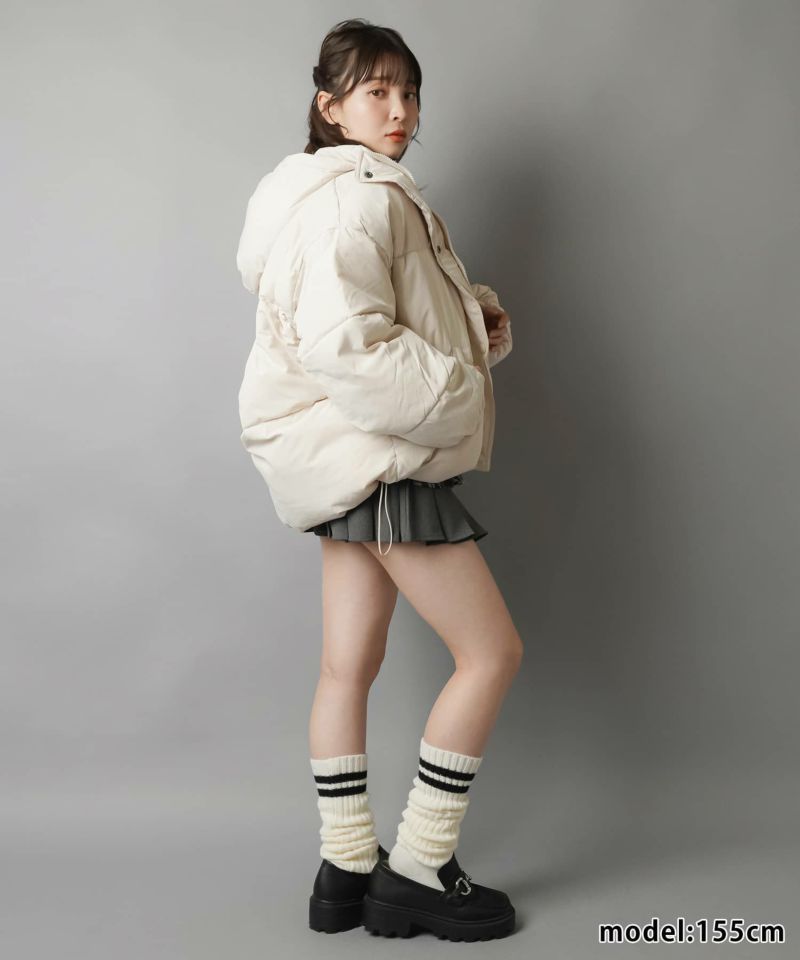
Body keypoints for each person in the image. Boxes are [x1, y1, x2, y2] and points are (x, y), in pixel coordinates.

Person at [236, 18, 521, 942]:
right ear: (331, 106)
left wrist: (471, 327)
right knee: (491, 654)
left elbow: (377, 318)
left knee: (345, 668)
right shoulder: (355, 200)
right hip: (384, 456)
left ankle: (346, 868)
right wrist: (462, 386)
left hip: (347, 460)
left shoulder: (331, 194)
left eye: (409, 92)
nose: (399, 110)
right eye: (376, 92)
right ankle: (420, 868)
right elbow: (349, 348)